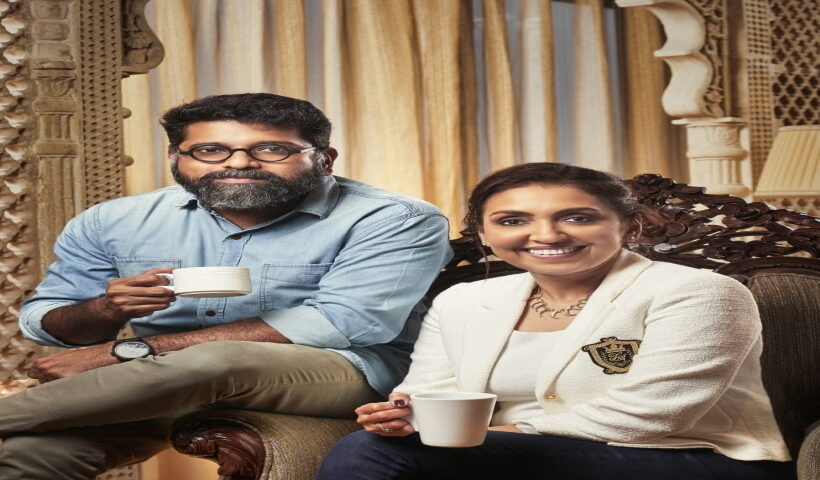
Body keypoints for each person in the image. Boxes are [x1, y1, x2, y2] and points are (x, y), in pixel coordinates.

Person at [0, 93, 452, 479]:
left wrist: (127, 351)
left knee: (216, 359)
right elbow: (47, 321)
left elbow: (347, 322)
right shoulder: (113, 221)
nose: (238, 162)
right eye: (210, 150)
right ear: (176, 157)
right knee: (27, 456)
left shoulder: (395, 219)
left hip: (347, 375)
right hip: (161, 383)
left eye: (271, 149)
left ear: (325, 158)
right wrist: (106, 310)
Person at [316, 162, 795, 480]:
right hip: (512, 457)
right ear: (483, 233)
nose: (545, 235)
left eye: (578, 218)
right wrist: (407, 416)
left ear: (630, 226)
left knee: (371, 454)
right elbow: (432, 389)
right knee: (379, 446)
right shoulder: (462, 300)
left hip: (687, 457)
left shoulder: (698, 292)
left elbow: (651, 414)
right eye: (512, 221)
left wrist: (483, 436)